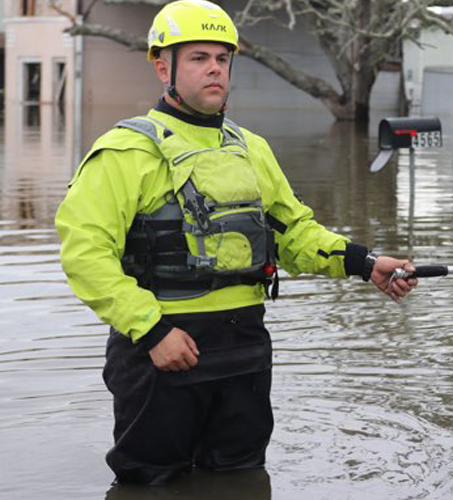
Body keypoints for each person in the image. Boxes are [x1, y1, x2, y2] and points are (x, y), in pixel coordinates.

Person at [55, 0, 417, 485]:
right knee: (150, 484)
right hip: (162, 350)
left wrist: (365, 262)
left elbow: (296, 234)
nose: (214, 70)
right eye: (199, 58)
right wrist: (151, 331)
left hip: (243, 349)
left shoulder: (251, 149)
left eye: (222, 59)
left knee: (242, 480)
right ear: (164, 67)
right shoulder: (124, 153)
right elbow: (85, 256)